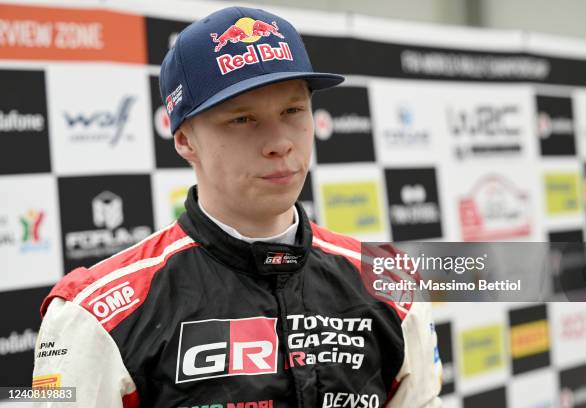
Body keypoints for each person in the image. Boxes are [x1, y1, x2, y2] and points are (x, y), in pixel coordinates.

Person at [32, 6, 442, 407]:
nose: (280, 142)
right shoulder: (95, 316)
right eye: (242, 119)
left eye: (293, 110)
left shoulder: (390, 285)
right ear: (185, 140)